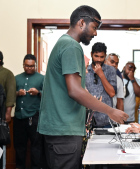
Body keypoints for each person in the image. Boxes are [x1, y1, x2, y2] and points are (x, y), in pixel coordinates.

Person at [37, 5, 128, 169]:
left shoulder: (62, 43)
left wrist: (92, 101)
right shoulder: (72, 46)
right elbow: (75, 91)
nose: (95, 33)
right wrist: (110, 111)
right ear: (81, 23)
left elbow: (76, 88)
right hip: (65, 130)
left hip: (58, 129)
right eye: (94, 27)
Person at [14, 54, 44, 169]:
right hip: (18, 117)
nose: (29, 68)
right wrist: (18, 93)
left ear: (35, 65)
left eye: (32, 66)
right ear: (23, 65)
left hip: (34, 117)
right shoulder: (17, 78)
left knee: (36, 147)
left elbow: (48, 95)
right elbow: (10, 95)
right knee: (19, 147)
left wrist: (38, 92)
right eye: (27, 66)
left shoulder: (42, 78)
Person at [85, 42, 117, 128]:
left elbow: (112, 93)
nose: (99, 60)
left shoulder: (111, 70)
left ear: (105, 56)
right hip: (88, 120)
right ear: (91, 54)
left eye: (102, 57)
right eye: (96, 56)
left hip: (106, 120)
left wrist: (101, 74)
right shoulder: (85, 70)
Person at [0, 51, 16, 168]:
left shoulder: (7, 74)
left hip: (1, 117)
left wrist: (8, 113)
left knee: (1, 147)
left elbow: (10, 95)